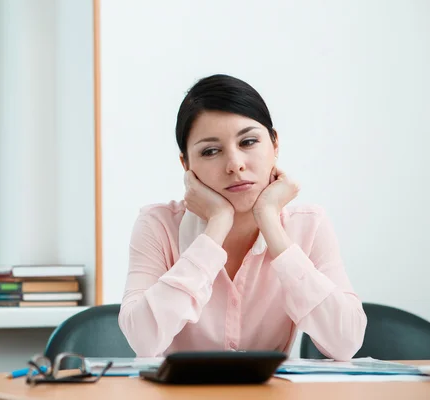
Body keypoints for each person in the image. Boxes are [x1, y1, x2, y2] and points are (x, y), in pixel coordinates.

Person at [118, 74, 366, 361]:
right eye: (211, 151)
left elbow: (346, 342)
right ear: (186, 165)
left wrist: (270, 223)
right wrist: (217, 226)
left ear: (274, 145)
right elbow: (143, 340)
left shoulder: (309, 224)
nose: (235, 164)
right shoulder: (157, 225)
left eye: (248, 142)